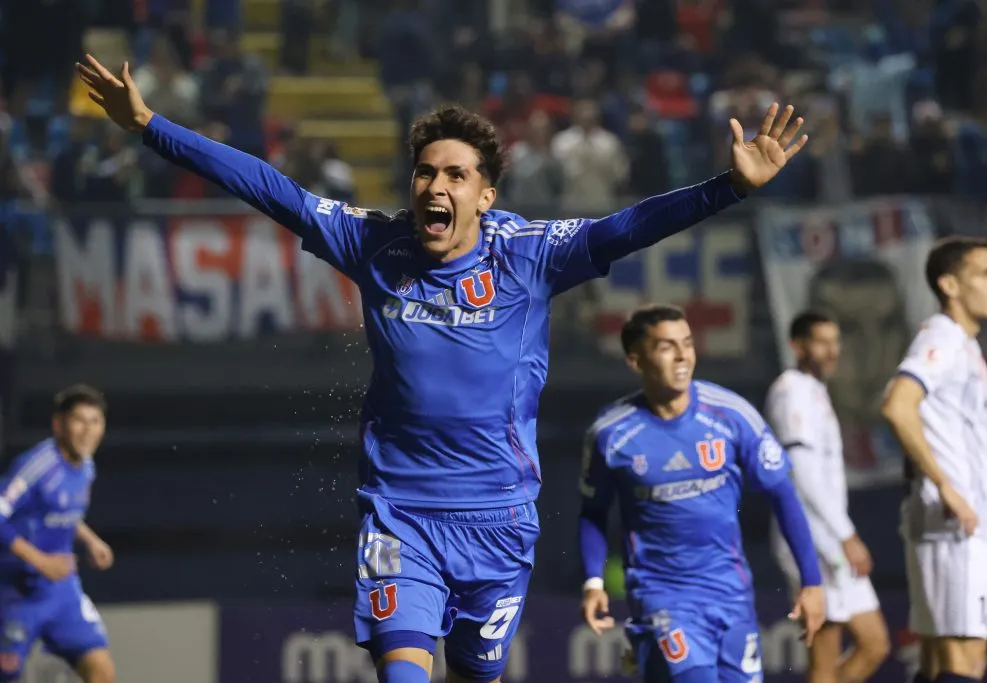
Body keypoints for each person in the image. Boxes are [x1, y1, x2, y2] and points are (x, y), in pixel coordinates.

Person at [76, 55, 809, 683]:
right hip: (403, 515)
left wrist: (729, 187)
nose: (435, 186)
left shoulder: (529, 254)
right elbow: (269, 188)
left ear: (485, 196)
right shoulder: (373, 243)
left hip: (500, 519)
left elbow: (628, 226)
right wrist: (149, 126)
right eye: (425, 172)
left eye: (456, 175)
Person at [578, 304, 825, 683]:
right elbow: (593, 511)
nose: (682, 356)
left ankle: (645, 654)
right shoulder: (612, 432)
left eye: (688, 344)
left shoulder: (731, 415)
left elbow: (783, 495)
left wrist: (811, 582)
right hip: (662, 595)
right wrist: (594, 581)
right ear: (635, 360)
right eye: (666, 346)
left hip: (731, 595)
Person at [881, 236, 987, 683]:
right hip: (949, 522)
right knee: (964, 663)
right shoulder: (943, 337)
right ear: (949, 284)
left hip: (963, 522)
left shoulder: (965, 345)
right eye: (986, 274)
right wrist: (946, 486)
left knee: (940, 661)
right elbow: (898, 405)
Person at [766, 311, 890, 683]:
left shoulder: (816, 391)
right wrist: (845, 534)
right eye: (822, 342)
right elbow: (800, 470)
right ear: (797, 345)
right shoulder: (791, 391)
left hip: (830, 537)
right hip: (811, 540)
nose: (832, 351)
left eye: (835, 342)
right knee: (824, 659)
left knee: (875, 644)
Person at [0, 384, 115, 683]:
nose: (87, 430)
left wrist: (90, 540)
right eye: (79, 420)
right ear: (59, 425)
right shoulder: (37, 465)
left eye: (95, 422)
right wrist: (40, 561)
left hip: (61, 590)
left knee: (101, 670)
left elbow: (60, 511)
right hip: (14, 591)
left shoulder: (86, 466)